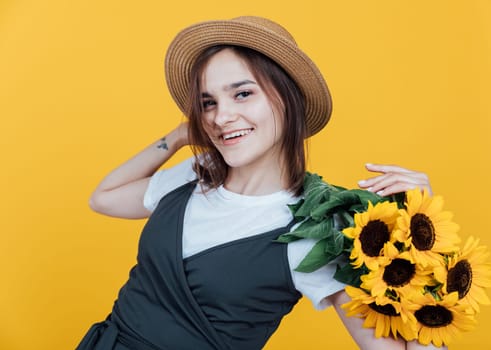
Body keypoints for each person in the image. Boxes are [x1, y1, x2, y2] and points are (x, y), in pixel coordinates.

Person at [77, 16, 442, 350]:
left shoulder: (317, 226)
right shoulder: (198, 172)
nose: (221, 117)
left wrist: (423, 240)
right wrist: (176, 137)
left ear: (289, 99)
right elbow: (104, 199)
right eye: (207, 102)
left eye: (242, 93)